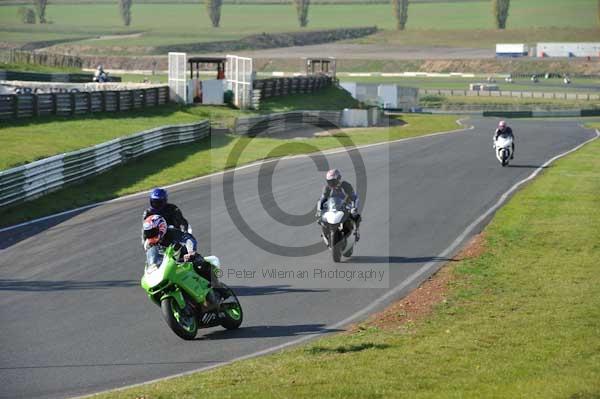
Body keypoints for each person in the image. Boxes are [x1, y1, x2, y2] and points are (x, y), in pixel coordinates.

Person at [142, 214, 228, 303]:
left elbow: (188, 239)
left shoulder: (171, 233)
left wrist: (191, 252)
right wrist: (151, 267)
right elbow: (151, 258)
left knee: (199, 264)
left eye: (152, 232)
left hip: (185, 260)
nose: (150, 235)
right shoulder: (148, 245)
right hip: (167, 267)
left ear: (161, 227)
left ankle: (219, 289)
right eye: (148, 232)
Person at [316, 169, 361, 241]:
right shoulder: (327, 188)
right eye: (329, 182)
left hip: (345, 206)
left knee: (356, 216)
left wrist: (354, 208)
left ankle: (357, 231)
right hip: (331, 207)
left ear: (339, 179)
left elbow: (355, 197)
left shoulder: (346, 185)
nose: (331, 184)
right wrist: (319, 210)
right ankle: (325, 233)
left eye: (333, 181)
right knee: (320, 219)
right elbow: (322, 199)